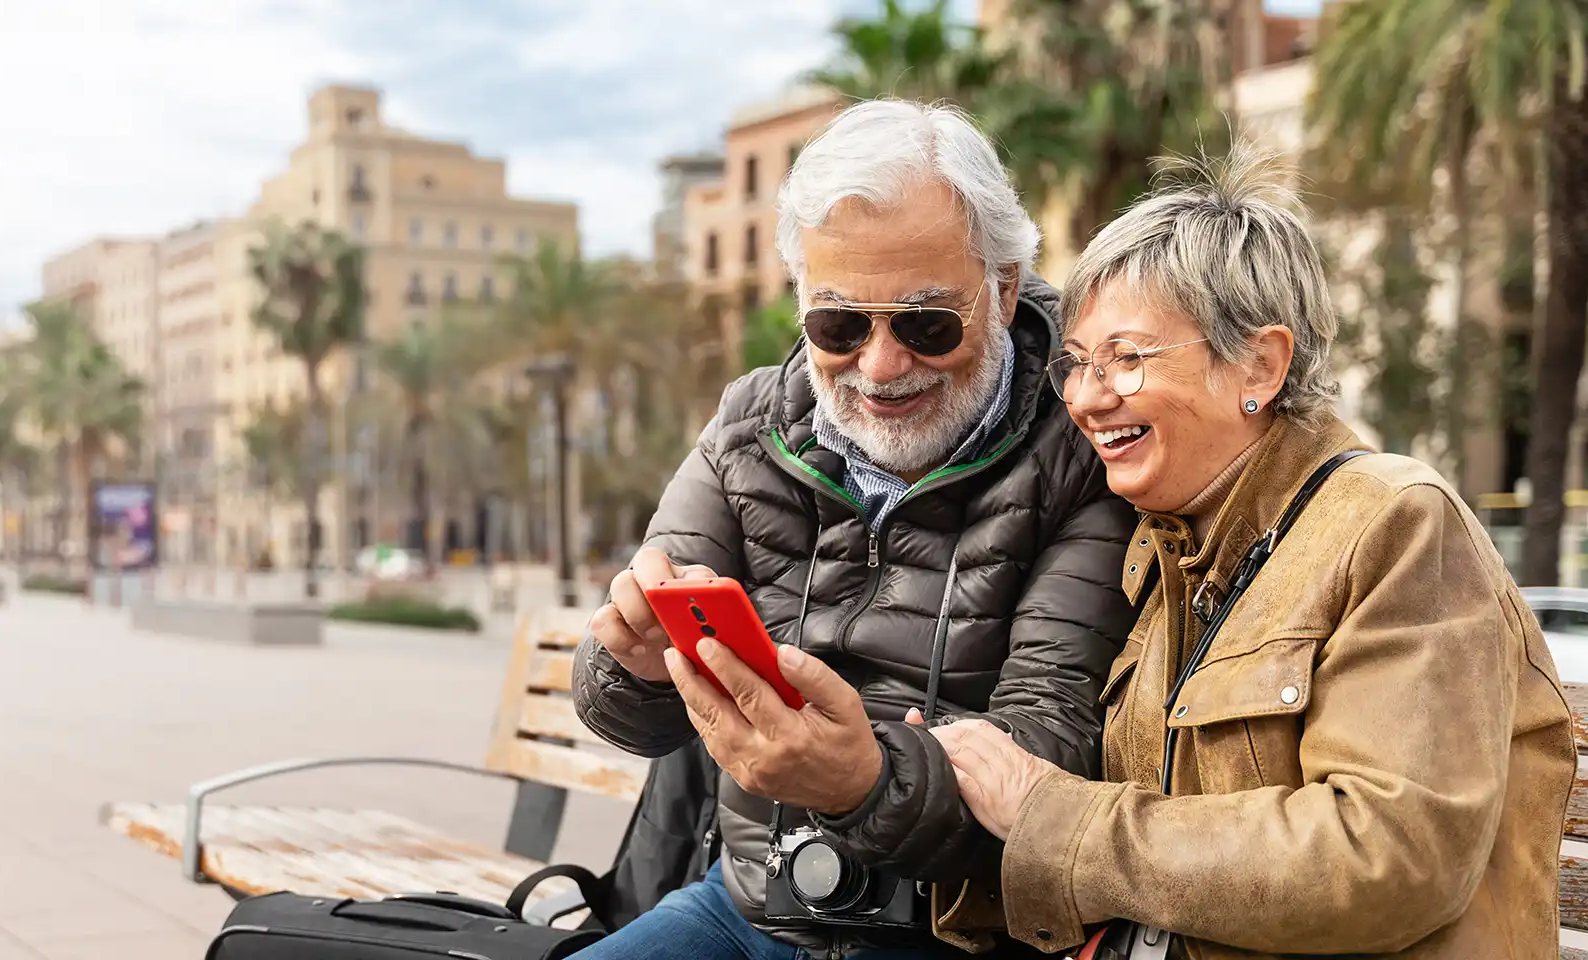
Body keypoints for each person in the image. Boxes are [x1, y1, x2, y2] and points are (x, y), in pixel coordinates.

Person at [924, 148, 1575, 958]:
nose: (1087, 399)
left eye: (1126, 358)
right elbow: (1140, 844)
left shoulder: (1396, 525)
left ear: (1259, 366)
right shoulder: (1168, 550)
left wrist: (1052, 815)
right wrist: (917, 798)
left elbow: (1389, 858)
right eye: (1077, 364)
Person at [570, 98, 1138, 959]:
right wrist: (635, 665)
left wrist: (863, 784)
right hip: (748, 908)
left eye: (926, 324)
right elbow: (622, 710)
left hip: (960, 934)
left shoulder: (1082, 447)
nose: (879, 366)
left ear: (1006, 286)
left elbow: (1051, 743)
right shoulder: (746, 425)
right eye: (837, 324)